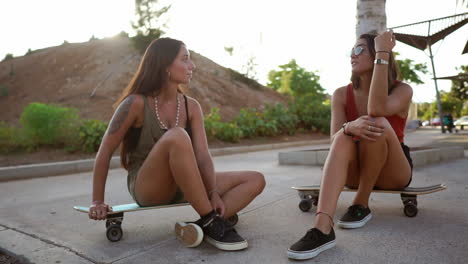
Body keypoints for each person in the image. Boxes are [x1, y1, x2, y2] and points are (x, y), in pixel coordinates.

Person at [88, 37, 265, 251]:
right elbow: (105, 151)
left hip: (186, 183)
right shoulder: (135, 103)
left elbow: (202, 156)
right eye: (185, 59)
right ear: (164, 66)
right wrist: (98, 201)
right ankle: (211, 221)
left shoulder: (192, 107)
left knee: (255, 180)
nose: (192, 66)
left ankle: (197, 228)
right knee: (177, 136)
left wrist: (214, 192)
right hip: (149, 187)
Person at [287, 30, 413, 260]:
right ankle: (322, 226)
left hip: (393, 171)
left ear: (376, 55)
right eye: (351, 51)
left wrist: (383, 51)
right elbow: (334, 139)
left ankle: (361, 203)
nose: (352, 56)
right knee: (344, 134)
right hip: (356, 169)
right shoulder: (340, 95)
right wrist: (348, 127)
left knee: (375, 122)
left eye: (359, 49)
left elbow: (376, 110)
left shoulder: (402, 90)